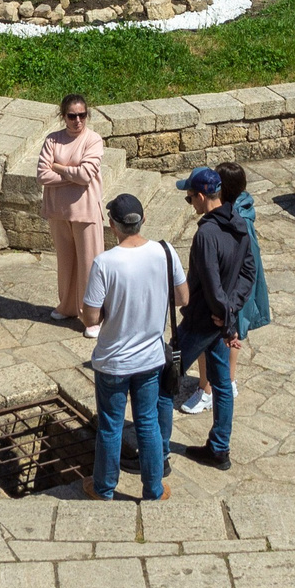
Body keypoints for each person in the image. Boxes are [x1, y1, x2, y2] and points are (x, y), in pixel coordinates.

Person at [82, 193, 183, 501]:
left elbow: (90, 315)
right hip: (150, 358)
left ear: (112, 225)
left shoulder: (104, 263)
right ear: (143, 220)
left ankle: (104, 488)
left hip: (113, 361)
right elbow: (183, 298)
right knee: (148, 423)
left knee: (111, 427)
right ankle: (153, 490)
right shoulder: (165, 252)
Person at [166, 167, 255, 471]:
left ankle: (155, 451)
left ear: (202, 197)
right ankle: (219, 449)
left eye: (190, 198)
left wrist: (226, 320)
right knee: (223, 385)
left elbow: (212, 285)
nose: (190, 203)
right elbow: (248, 274)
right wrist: (231, 312)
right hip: (219, 323)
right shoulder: (239, 223)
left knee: (163, 380)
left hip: (201, 323)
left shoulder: (206, 234)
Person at [183, 160, 268, 415]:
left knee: (168, 375)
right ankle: (220, 390)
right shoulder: (236, 217)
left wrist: (227, 311)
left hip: (219, 307)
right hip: (229, 303)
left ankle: (207, 389)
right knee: (224, 356)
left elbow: (216, 278)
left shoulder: (221, 227)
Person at [38, 94, 106, 334]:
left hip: (86, 212)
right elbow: (42, 175)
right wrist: (71, 175)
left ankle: (93, 318)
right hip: (59, 212)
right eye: (72, 115)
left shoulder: (93, 140)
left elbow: (86, 175)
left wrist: (58, 168)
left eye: (82, 115)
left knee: (90, 266)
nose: (78, 120)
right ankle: (67, 306)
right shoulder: (53, 140)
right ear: (63, 116)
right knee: (65, 263)